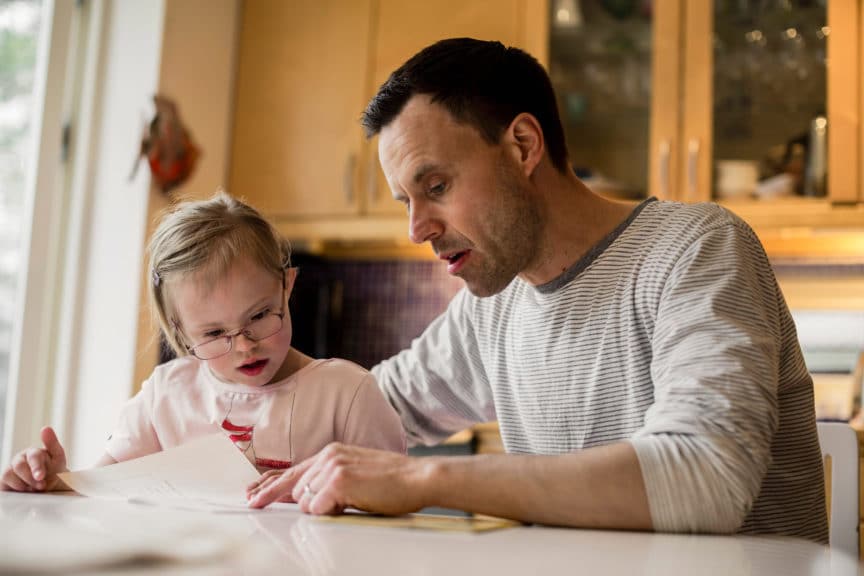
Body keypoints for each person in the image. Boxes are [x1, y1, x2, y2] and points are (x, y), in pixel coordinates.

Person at [246, 38, 827, 543]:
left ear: (523, 145)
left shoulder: (695, 248)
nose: (416, 228)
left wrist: (421, 479)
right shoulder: (491, 305)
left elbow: (706, 478)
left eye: (437, 186)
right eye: (407, 201)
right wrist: (208, 398)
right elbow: (365, 407)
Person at [1, 192, 405, 492]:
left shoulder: (348, 395)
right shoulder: (166, 396)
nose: (244, 346)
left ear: (287, 287)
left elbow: (398, 499)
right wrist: (52, 484)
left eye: (260, 316)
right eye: (213, 334)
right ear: (180, 332)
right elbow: (103, 493)